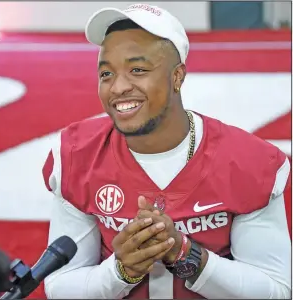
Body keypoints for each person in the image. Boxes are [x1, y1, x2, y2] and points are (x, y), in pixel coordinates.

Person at [42, 3, 291, 299]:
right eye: (106, 73)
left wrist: (183, 253)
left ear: (177, 77)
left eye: (138, 70)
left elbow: (275, 290)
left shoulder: (248, 162)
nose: (118, 87)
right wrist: (122, 271)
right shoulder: (75, 156)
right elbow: (61, 286)